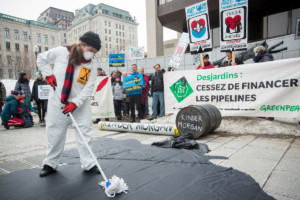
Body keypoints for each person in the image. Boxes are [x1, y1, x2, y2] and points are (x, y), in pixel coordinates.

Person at [37, 31, 102, 177]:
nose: (91, 54)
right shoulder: (61, 52)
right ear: (81, 44)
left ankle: (89, 163)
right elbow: (41, 58)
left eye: (94, 52)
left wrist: (75, 103)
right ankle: (51, 162)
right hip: (57, 102)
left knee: (85, 134)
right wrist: (48, 74)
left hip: (80, 105)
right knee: (54, 133)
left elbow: (88, 88)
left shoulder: (91, 66)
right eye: (90, 50)